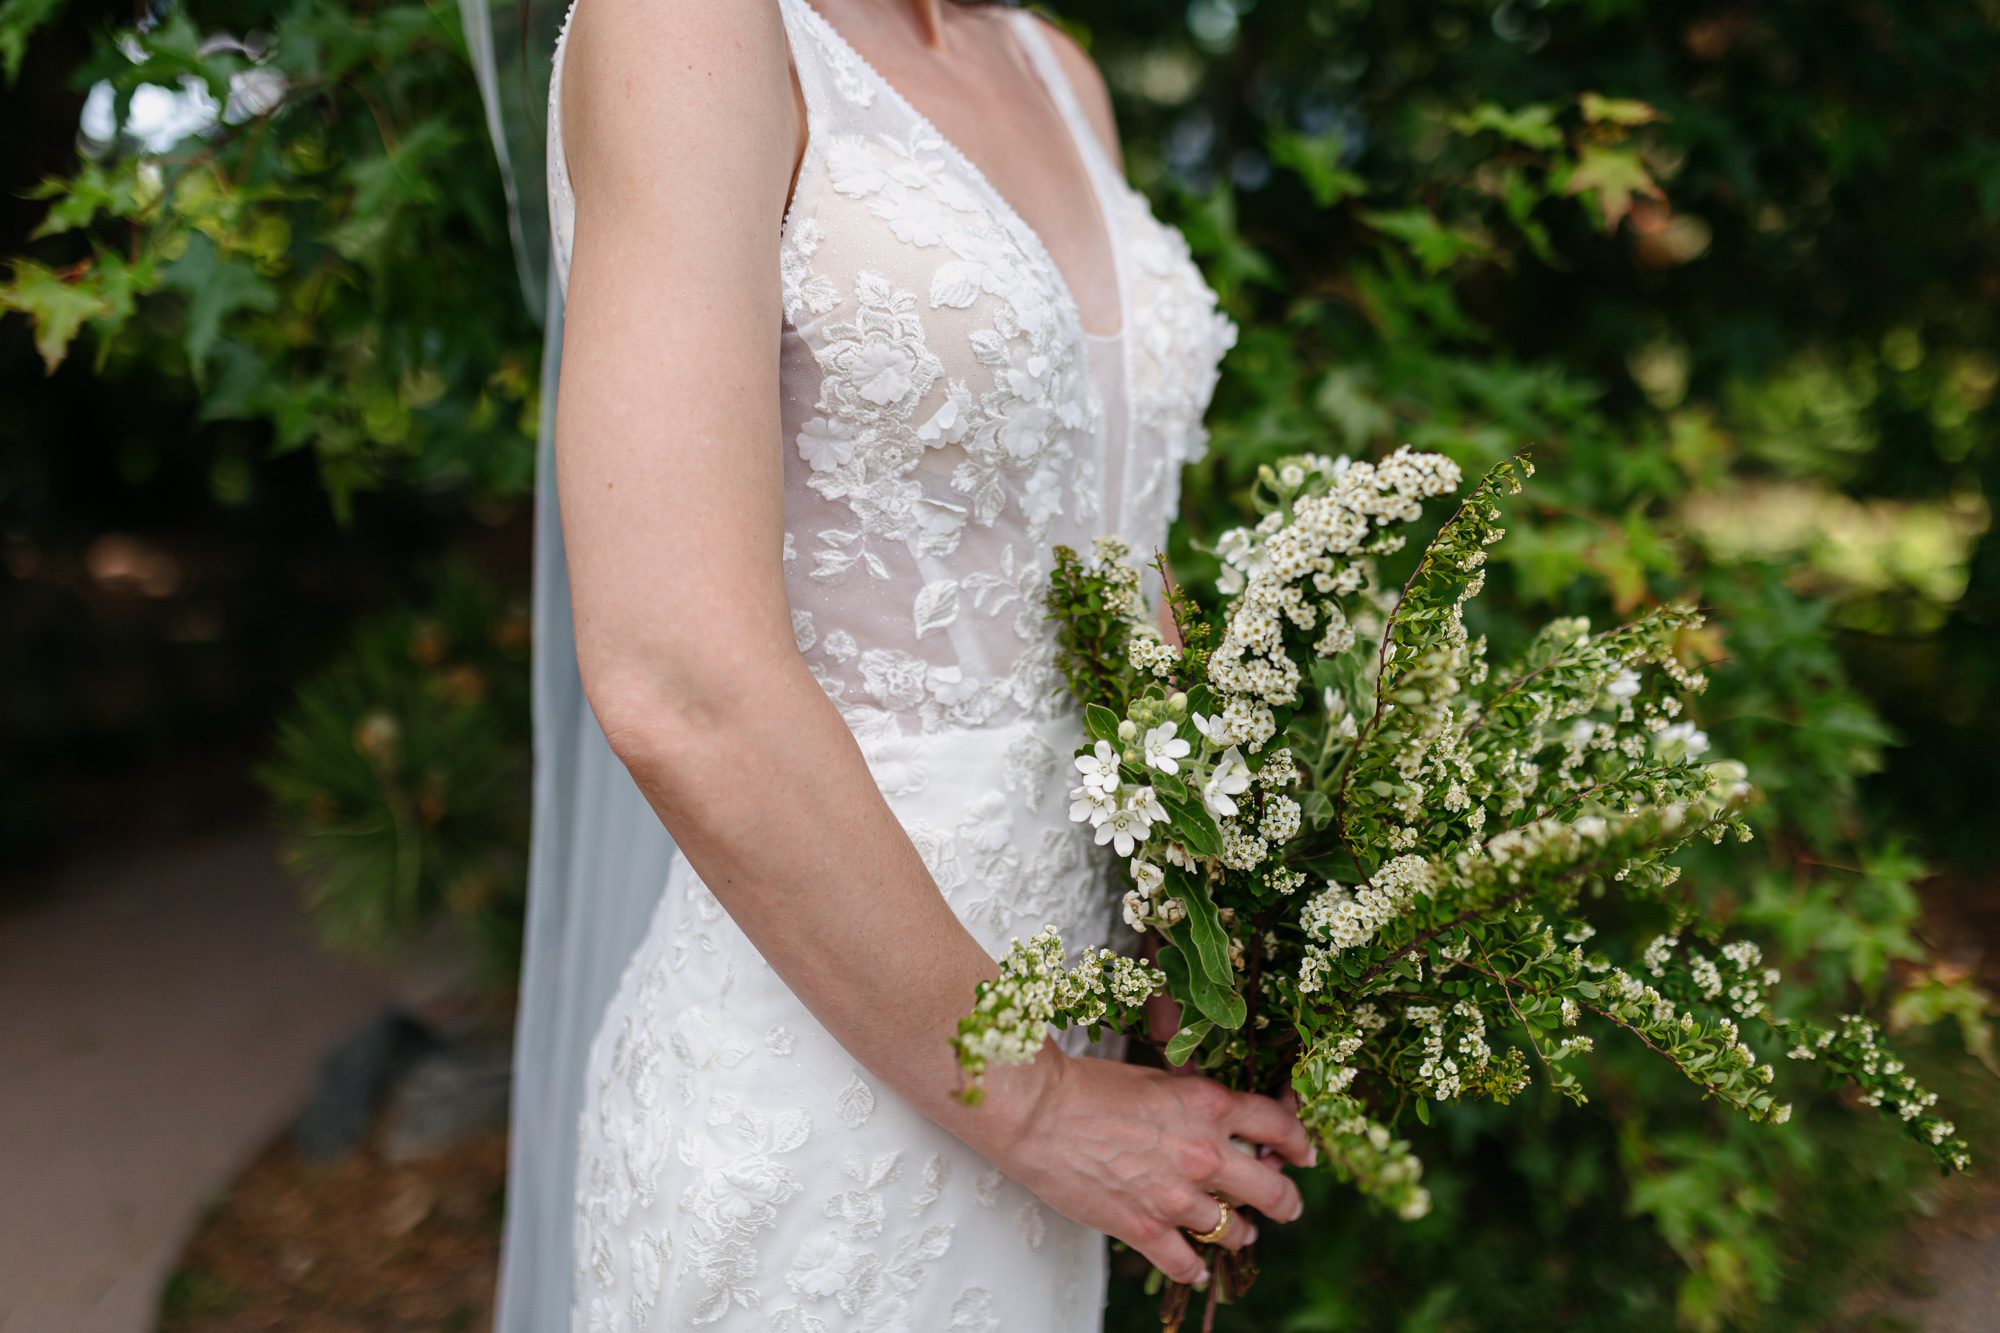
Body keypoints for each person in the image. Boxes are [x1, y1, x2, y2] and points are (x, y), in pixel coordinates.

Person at [540, 0, 1310, 1325]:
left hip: (1077, 1090)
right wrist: (1040, 1097)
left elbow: (1109, 544)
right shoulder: (692, 29)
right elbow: (676, 673)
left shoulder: (1056, 69)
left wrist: (1199, 923)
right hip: (830, 1098)